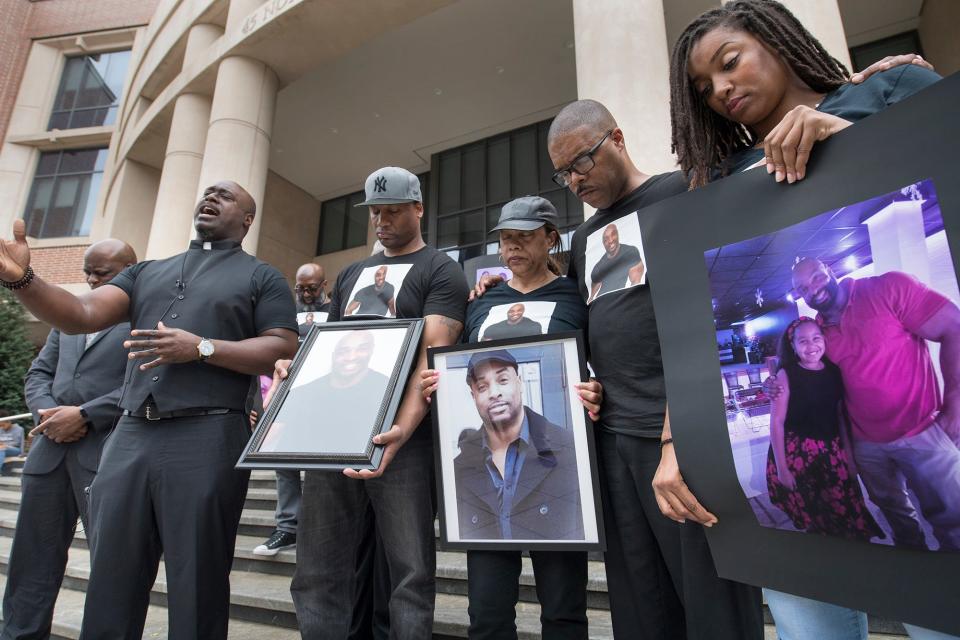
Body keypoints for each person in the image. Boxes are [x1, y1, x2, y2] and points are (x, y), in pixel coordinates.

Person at [669, 2, 947, 637]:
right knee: (808, 615)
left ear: (774, 38)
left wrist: (863, 147)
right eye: (703, 88)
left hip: (913, 438)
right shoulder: (723, 188)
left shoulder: (889, 93)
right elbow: (686, 334)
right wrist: (674, 440)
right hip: (828, 468)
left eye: (729, 62)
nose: (720, 90)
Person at [0, 179, 299, 639]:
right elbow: (80, 314)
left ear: (247, 219)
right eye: (207, 192)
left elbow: (282, 346)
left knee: (196, 578)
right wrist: (23, 280)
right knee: (111, 575)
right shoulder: (145, 273)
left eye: (226, 195)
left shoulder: (262, 276)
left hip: (210, 435)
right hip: (132, 434)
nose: (211, 197)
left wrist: (201, 347)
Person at [283, 166, 468, 639]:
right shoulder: (349, 275)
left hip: (402, 441)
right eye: (375, 212)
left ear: (418, 208)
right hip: (334, 437)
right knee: (317, 568)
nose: (381, 220)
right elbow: (326, 348)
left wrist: (402, 430)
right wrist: (293, 375)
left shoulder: (441, 269)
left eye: (392, 210)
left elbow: (431, 359)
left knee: (410, 573)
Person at [422, 194, 600, 639]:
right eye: (505, 240)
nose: (512, 248)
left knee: (563, 608)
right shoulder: (481, 301)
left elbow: (597, 359)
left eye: (524, 237)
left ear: (551, 239)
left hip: (555, 464)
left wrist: (597, 387)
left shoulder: (575, 296)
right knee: (487, 611)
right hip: (486, 470)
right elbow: (459, 362)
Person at [1, 239, 135, 639]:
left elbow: (142, 382)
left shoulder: (145, 318)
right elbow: (38, 374)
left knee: (112, 565)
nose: (91, 280)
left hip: (107, 457)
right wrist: (47, 414)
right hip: (48, 456)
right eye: (87, 272)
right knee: (31, 562)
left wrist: (84, 415)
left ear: (130, 269)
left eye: (102, 273)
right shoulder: (66, 318)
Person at [788, 259, 960, 549]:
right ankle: (915, 570)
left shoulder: (888, 288)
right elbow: (805, 375)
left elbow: (953, 327)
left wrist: (955, 404)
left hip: (923, 430)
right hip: (866, 445)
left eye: (816, 277)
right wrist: (775, 383)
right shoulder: (819, 334)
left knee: (952, 519)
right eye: (803, 288)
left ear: (830, 269)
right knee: (896, 516)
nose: (813, 289)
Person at [765, 317, 882, 541]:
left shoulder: (834, 372)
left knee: (845, 506)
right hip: (797, 455)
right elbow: (776, 423)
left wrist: (848, 456)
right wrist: (782, 469)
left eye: (816, 338)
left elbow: (839, 416)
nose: (811, 346)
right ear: (793, 346)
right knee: (814, 512)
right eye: (803, 341)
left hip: (831, 450)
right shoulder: (785, 375)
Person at [456, 350, 584, 541]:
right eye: (482, 387)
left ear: (520, 382)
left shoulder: (570, 448)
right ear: (473, 396)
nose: (494, 393)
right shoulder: (459, 467)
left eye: (503, 380)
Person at [254, 260, 331, 557]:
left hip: (324, 395)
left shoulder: (335, 310)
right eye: (300, 288)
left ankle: (315, 530)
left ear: (324, 285)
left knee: (319, 466)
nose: (305, 294)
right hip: (287, 392)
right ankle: (286, 527)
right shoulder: (285, 312)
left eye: (311, 288)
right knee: (282, 462)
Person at [261, 330, 389, 454]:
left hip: (380, 461)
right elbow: (274, 430)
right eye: (343, 351)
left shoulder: (386, 386)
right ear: (333, 355)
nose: (351, 357)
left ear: (371, 352)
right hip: (321, 467)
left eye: (361, 349)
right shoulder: (305, 391)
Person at [587, 222, 645, 303]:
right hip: (603, 305)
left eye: (613, 234)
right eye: (606, 239)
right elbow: (591, 297)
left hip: (624, 303)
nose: (610, 240)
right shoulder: (598, 267)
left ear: (618, 235)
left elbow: (635, 282)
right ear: (603, 243)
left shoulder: (630, 252)